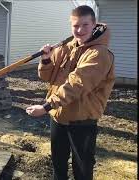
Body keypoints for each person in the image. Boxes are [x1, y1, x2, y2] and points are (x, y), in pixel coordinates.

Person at [25, 5, 115, 180]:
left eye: (85, 25)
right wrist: (46, 60)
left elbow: (77, 84)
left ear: (94, 24)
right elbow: (48, 77)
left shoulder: (100, 53)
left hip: (82, 120)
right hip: (58, 117)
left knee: (82, 168)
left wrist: (46, 106)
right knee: (58, 163)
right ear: (70, 25)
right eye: (75, 26)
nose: (80, 30)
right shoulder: (66, 47)